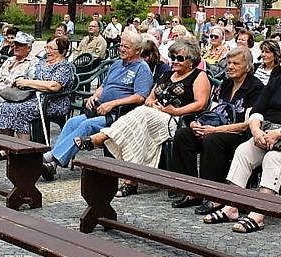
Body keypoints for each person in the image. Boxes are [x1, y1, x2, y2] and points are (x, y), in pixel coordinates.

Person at [204, 44, 281, 232]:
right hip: (269, 135)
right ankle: (231, 206)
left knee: (273, 158)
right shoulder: (277, 82)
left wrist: (280, 133)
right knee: (243, 151)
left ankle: (259, 213)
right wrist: (256, 131)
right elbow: (257, 111)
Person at [73, 38, 211, 197]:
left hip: (178, 121)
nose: (174, 61)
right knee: (136, 131)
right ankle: (130, 181)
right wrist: (153, 105)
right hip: (153, 115)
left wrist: (174, 111)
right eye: (172, 57)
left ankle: (102, 137)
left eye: (180, 58)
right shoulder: (167, 75)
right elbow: (149, 99)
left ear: (192, 61)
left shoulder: (199, 76)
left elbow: (200, 104)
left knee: (140, 114)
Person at [40, 31, 153, 179]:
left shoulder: (142, 68)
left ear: (138, 50)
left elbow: (140, 97)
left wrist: (112, 103)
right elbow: (103, 86)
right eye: (121, 45)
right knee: (72, 122)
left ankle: (51, 158)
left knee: (87, 126)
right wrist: (94, 96)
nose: (122, 49)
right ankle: (54, 163)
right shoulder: (117, 64)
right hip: (99, 109)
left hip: (119, 114)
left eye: (127, 47)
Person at [171, 47, 264, 212]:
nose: (230, 67)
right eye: (228, 63)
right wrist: (197, 124)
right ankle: (191, 190)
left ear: (248, 67)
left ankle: (214, 195)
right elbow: (212, 110)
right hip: (214, 128)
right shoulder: (226, 84)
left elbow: (247, 123)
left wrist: (215, 130)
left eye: (236, 63)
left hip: (239, 135)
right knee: (183, 135)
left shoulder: (255, 87)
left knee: (212, 140)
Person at [0, 37, 73, 148]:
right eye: (47, 47)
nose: (47, 51)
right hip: (34, 98)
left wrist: (28, 83)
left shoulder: (64, 66)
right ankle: (9, 147)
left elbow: (54, 86)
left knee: (17, 111)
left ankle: (26, 149)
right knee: (2, 107)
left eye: (52, 48)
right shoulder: (42, 62)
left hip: (53, 102)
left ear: (62, 51)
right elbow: (30, 75)